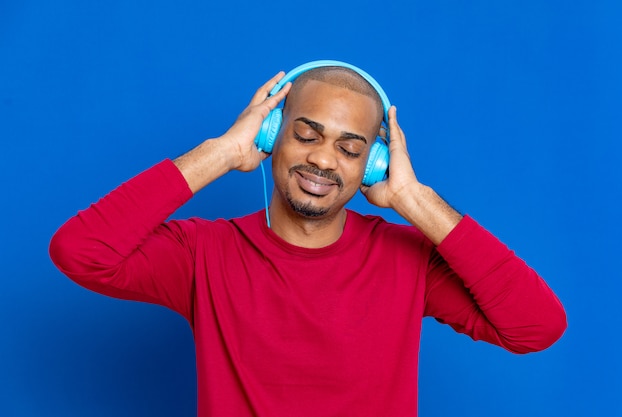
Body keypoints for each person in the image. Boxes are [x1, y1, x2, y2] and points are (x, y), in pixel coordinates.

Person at [49, 61, 567, 416]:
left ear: (374, 164)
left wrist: (414, 200)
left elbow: (536, 326)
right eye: (306, 134)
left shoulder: (407, 260)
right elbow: (80, 251)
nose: (323, 159)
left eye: (350, 147)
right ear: (272, 134)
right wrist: (221, 153)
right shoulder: (202, 253)